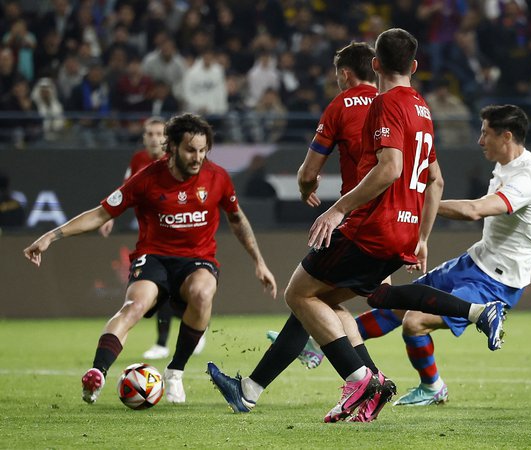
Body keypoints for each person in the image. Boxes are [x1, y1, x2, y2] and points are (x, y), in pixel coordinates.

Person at [208, 28, 503, 423]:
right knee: (334, 301)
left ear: (375, 65)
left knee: (299, 294)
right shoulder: (423, 108)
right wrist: (422, 236)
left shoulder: (378, 103)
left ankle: (359, 378)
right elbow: (436, 180)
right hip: (402, 228)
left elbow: (387, 167)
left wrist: (336, 209)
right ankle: (262, 390)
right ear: (414, 67)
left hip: (370, 225)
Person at [24, 113, 277, 405]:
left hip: (197, 259)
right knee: (134, 306)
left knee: (202, 292)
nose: (198, 158)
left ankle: (175, 371)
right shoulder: (146, 179)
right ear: (172, 147)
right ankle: (98, 373)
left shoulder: (217, 177)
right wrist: (51, 236)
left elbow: (236, 219)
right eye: (190, 150)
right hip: (153, 257)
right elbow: (100, 213)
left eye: (203, 150)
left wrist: (259, 261)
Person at [360, 104, 531, 406]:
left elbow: (474, 210)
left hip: (496, 284)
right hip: (474, 261)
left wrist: (421, 202)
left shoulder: (527, 176)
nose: (479, 141)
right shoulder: (509, 165)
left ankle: (433, 386)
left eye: (485, 133)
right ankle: (322, 342)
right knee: (401, 301)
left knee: (414, 322)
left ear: (506, 136)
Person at [265, 41, 380, 369]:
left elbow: (308, 171)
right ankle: (253, 387)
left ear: (345, 74)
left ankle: (365, 379)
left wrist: (306, 188)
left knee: (303, 295)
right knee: (325, 298)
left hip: (362, 220)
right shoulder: (396, 102)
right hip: (402, 217)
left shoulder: (341, 105)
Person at [99, 117, 207, 361]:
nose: (155, 138)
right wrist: (109, 215)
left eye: (159, 133)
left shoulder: (177, 161)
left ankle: (177, 334)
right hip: (153, 237)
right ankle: (186, 328)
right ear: (144, 137)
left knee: (169, 291)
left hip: (182, 238)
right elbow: (125, 190)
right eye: (149, 133)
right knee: (158, 293)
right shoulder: (138, 160)